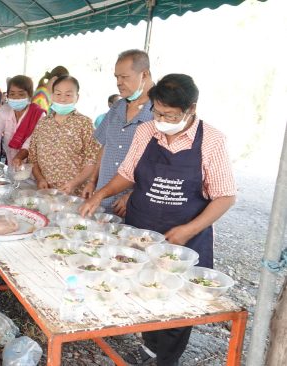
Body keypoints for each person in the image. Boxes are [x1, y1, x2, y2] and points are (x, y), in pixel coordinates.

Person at [80, 73, 236, 366]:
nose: (161, 119)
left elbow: (226, 196)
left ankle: (165, 358)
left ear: (191, 109)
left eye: (170, 114)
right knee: (142, 290)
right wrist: (100, 195)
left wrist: (189, 230)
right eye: (157, 111)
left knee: (177, 305)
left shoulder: (211, 140)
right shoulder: (146, 131)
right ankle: (149, 346)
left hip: (184, 238)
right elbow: (127, 173)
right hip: (141, 229)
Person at [83, 49, 155, 216]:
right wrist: (92, 181)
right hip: (103, 200)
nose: (119, 82)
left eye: (125, 77)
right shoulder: (117, 107)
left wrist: (134, 194)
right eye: (116, 77)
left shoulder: (160, 111)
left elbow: (164, 165)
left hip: (134, 204)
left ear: (144, 74)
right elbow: (106, 146)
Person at [30, 75, 101, 196]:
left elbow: (93, 160)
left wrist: (74, 183)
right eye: (58, 94)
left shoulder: (84, 123)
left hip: (74, 194)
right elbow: (33, 157)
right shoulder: (43, 123)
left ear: (77, 97)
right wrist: (40, 178)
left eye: (68, 95)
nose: (62, 99)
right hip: (46, 192)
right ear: (52, 96)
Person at [0, 75, 44, 169]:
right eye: (12, 94)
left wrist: (19, 157)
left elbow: (30, 142)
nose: (16, 98)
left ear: (29, 95)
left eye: (21, 94)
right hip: (12, 164)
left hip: (34, 168)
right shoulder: (3, 111)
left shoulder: (38, 115)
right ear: (7, 95)